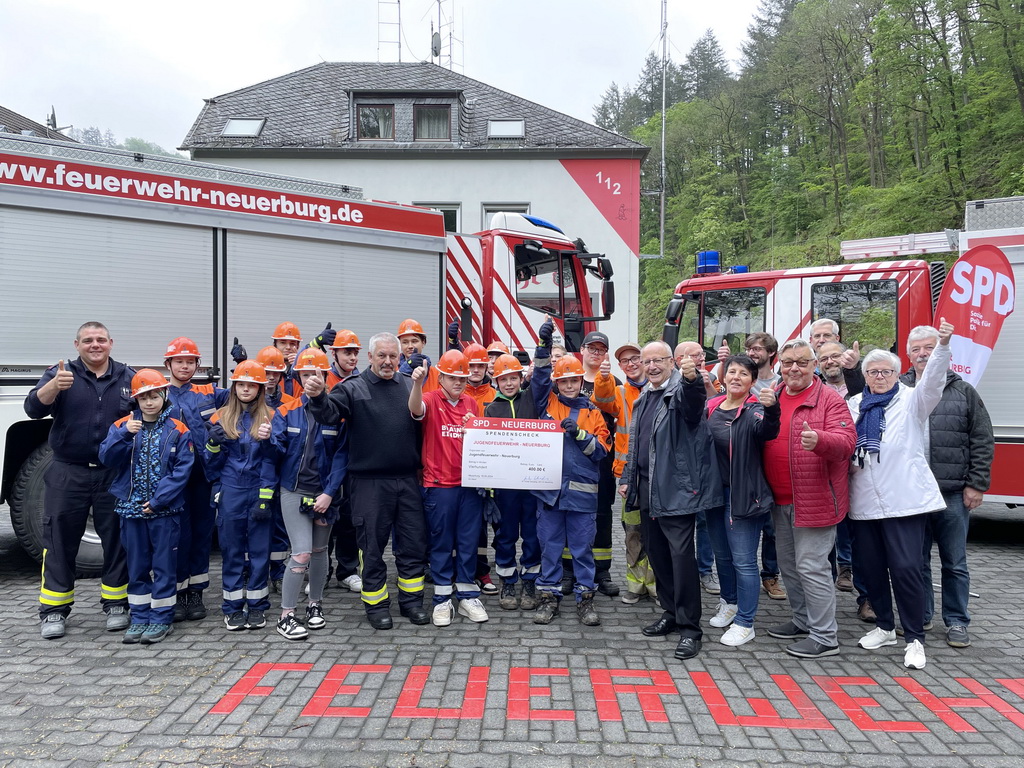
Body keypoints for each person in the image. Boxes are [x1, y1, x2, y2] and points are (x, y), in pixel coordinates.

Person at [847, 320, 954, 670]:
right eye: (873, 371)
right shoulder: (855, 405)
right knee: (872, 569)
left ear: (897, 373)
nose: (880, 376)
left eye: (886, 371)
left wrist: (941, 347)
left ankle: (915, 638)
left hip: (905, 501)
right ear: (865, 376)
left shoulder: (912, 400)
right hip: (864, 502)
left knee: (907, 569)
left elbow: (934, 381)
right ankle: (884, 627)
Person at [306, 332, 429, 630]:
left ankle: (411, 603)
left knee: (412, 545)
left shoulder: (408, 386)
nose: (388, 361)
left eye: (393, 356)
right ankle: (375, 604)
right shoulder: (353, 388)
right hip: (368, 483)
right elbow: (329, 416)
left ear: (399, 358)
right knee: (371, 547)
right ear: (370, 358)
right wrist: (319, 395)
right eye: (381, 356)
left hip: (406, 480)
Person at [25, 322, 134, 639]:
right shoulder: (61, 374)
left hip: (113, 472)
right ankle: (54, 611)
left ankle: (116, 604)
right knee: (59, 538)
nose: (95, 345)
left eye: (101, 340)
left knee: (117, 538)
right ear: (77, 345)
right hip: (68, 470)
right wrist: (53, 388)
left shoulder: (128, 377)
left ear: (111, 343)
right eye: (88, 340)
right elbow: (32, 408)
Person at [620, 343, 721, 661]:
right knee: (658, 555)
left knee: (681, 558)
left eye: (657, 360)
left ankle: (691, 629)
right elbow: (636, 444)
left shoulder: (679, 390)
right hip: (647, 489)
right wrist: (627, 479)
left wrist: (692, 381)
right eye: (645, 361)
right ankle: (670, 612)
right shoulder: (642, 399)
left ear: (671, 363)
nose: (650, 366)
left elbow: (693, 407)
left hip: (675, 490)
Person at [900, 325, 993, 649]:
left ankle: (956, 621)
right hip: (914, 495)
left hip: (952, 493)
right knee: (917, 560)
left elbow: (982, 439)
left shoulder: (964, 391)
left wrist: (976, 484)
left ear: (942, 352)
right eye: (917, 350)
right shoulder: (900, 391)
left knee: (954, 562)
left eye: (929, 348)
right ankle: (922, 615)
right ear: (909, 355)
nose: (923, 354)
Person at [762, 338, 856, 659]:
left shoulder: (828, 399)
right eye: (788, 363)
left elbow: (846, 442)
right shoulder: (773, 396)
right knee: (789, 566)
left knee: (812, 567)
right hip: (780, 501)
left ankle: (825, 636)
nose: (794, 369)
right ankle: (803, 620)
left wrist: (821, 440)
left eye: (802, 362)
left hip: (814, 500)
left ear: (814, 366)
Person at [99, 369, 194, 645]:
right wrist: (124, 435)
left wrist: (158, 501)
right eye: (144, 398)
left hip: (164, 511)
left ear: (164, 396)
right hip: (131, 509)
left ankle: (161, 618)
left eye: (154, 396)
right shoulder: (122, 426)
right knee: (137, 565)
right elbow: (106, 457)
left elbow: (181, 472)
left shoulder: (178, 430)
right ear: (136, 400)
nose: (149, 402)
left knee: (164, 565)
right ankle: (140, 616)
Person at [531, 318, 610, 626]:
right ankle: (548, 600)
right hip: (550, 494)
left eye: (573, 381)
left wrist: (579, 434)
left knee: (582, 552)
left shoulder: (593, 413)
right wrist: (543, 346)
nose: (568, 385)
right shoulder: (546, 403)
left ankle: (585, 601)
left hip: (582, 497)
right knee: (550, 551)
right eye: (563, 381)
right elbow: (538, 380)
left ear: (580, 382)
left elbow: (601, 452)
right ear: (557, 383)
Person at [268, 349, 348, 640]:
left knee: (318, 552)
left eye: (317, 373)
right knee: (300, 553)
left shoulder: (336, 416)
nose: (312, 378)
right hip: (293, 491)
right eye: (305, 374)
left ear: (326, 376)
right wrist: (266, 439)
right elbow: (275, 453)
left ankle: (315, 605)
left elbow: (342, 457)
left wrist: (329, 493)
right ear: (297, 377)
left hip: (324, 495)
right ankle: (286, 615)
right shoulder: (285, 411)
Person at [703, 355, 781, 646]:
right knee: (721, 556)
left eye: (743, 374)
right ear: (723, 377)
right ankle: (730, 602)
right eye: (731, 372)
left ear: (752, 380)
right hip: (714, 495)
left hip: (744, 497)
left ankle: (746, 623)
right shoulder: (711, 406)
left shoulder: (755, 410)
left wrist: (773, 410)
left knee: (744, 562)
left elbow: (768, 431)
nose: (736, 377)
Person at [409, 350, 489, 625]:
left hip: (469, 485)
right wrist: (417, 384)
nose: (459, 383)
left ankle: (466, 595)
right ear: (441, 377)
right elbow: (415, 410)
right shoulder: (430, 398)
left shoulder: (472, 404)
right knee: (441, 543)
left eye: (463, 378)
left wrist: (475, 429)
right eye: (453, 377)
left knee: (468, 541)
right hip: (439, 485)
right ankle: (442, 600)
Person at [204, 360, 277, 632]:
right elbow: (209, 466)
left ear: (260, 389)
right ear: (234, 387)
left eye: (252, 385)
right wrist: (212, 443)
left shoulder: (271, 416)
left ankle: (257, 607)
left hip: (258, 489)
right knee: (232, 552)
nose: (246, 389)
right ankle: (233, 608)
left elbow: (273, 461)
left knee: (259, 552)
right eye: (241, 384)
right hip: (231, 491)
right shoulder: (219, 417)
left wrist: (265, 498)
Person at [163, 337, 229, 623]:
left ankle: (196, 593)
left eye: (190, 362)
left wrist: (242, 365)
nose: (185, 366)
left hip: (203, 477)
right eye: (179, 361)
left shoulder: (209, 391)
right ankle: (178, 593)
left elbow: (246, 391)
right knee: (177, 537)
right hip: (173, 480)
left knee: (202, 535)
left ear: (197, 365)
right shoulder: (158, 394)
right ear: (168, 364)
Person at [593, 342, 655, 604]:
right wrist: (603, 377)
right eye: (625, 361)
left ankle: (656, 586)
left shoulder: (660, 389)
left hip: (657, 476)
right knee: (632, 531)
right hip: (628, 477)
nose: (631, 363)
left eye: (635, 358)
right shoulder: (619, 391)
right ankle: (636, 584)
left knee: (656, 533)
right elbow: (602, 400)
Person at [484, 354, 541, 612]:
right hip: (504, 488)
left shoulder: (531, 399)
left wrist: (542, 348)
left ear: (521, 378)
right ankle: (507, 580)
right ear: (495, 381)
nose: (508, 383)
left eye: (513, 378)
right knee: (505, 536)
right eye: (503, 379)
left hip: (531, 485)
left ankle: (530, 580)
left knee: (532, 535)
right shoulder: (490, 409)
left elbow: (541, 379)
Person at [571, 330, 620, 597]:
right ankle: (569, 570)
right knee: (571, 510)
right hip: (572, 459)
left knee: (602, 513)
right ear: (582, 349)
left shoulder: (614, 381)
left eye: (601, 350)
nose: (596, 353)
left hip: (601, 459)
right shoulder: (569, 378)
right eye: (592, 348)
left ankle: (602, 570)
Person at [674, 342, 722, 597]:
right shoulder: (672, 383)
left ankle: (705, 570)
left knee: (705, 523)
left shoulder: (713, 380)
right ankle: (683, 572)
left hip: (706, 462)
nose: (698, 359)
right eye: (691, 356)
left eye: (700, 355)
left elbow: (719, 407)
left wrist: (706, 384)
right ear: (679, 360)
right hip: (680, 465)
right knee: (681, 523)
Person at [320, 330, 363, 595]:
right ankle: (321, 570)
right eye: (346, 351)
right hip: (323, 458)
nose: (352, 357)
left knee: (349, 519)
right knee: (322, 519)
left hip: (354, 457)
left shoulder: (362, 381)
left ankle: (347, 571)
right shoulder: (323, 376)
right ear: (333, 353)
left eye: (355, 352)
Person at [397, 318, 441, 393]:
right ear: (400, 345)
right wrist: (408, 365)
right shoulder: (393, 370)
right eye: (405, 342)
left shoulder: (436, 374)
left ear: (423, 343)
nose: (410, 346)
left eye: (414, 341)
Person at [271, 322, 303, 398]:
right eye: (283, 343)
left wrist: (298, 366)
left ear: (297, 346)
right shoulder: (267, 369)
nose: (288, 347)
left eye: (292, 343)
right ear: (275, 345)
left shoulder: (304, 369)